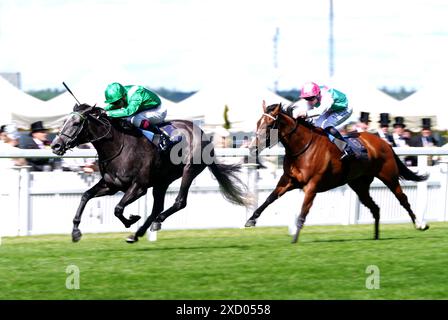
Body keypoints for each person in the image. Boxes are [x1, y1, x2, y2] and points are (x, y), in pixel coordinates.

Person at [291, 81, 354, 160]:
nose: (309, 101)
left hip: (344, 109)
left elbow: (319, 112)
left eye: (311, 98)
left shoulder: (327, 96)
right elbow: (297, 111)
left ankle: (346, 149)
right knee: (317, 126)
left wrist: (305, 114)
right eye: (306, 98)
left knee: (327, 125)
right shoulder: (312, 97)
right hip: (330, 109)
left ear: (318, 94)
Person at [103, 82, 172, 151]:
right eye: (113, 103)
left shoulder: (135, 94)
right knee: (126, 119)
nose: (116, 105)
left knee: (135, 120)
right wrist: (100, 110)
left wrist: (108, 113)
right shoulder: (122, 93)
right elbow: (112, 106)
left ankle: (161, 137)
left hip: (158, 110)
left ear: (123, 96)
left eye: (117, 102)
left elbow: (129, 111)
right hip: (144, 110)